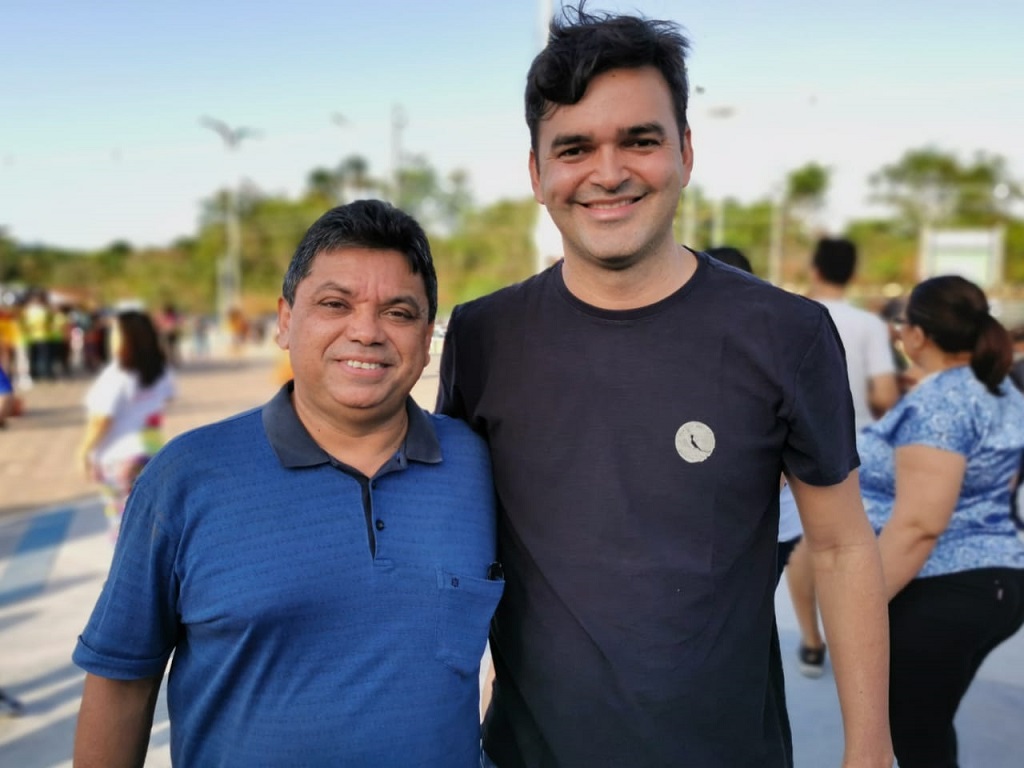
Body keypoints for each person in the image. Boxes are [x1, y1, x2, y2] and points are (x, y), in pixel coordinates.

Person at [436, 6, 893, 767]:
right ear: (537, 175)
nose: (608, 172)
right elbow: (452, 549)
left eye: (639, 140)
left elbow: (843, 547)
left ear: (685, 151)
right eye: (574, 148)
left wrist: (870, 750)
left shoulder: (787, 333)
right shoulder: (483, 337)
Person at [71, 200, 502, 767]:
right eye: (335, 304)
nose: (365, 331)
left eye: (398, 312)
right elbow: (121, 681)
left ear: (427, 339)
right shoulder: (187, 476)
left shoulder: (477, 466)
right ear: (284, 320)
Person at [858, 275, 1024, 767]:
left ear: (917, 335)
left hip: (944, 586)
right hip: (989, 581)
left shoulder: (943, 404)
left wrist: (860, 602)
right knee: (924, 727)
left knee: (916, 734)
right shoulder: (996, 389)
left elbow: (919, 526)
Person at [784, 237, 899, 678]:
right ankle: (852, 642)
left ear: (814, 270)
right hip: (860, 444)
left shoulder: (791, 314)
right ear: (853, 273)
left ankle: (812, 641)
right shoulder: (869, 324)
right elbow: (885, 394)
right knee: (850, 544)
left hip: (797, 444)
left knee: (806, 545)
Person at [75, 310, 176, 542]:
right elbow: (165, 400)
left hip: (118, 457)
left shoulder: (117, 376)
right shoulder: (160, 372)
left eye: (115, 333)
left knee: (123, 526)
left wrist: (83, 451)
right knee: (148, 523)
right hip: (151, 451)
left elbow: (101, 420)